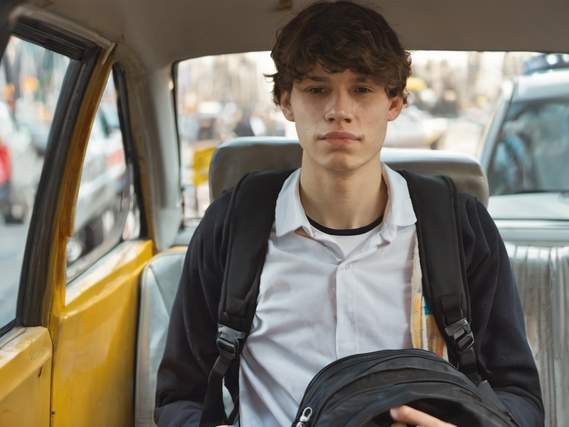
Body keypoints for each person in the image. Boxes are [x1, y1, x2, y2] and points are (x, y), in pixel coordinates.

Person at [155, 2, 544, 426]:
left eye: (362, 89)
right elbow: (180, 396)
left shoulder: (459, 228)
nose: (339, 110)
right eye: (317, 89)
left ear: (394, 103)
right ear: (285, 102)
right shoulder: (233, 226)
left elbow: (519, 398)